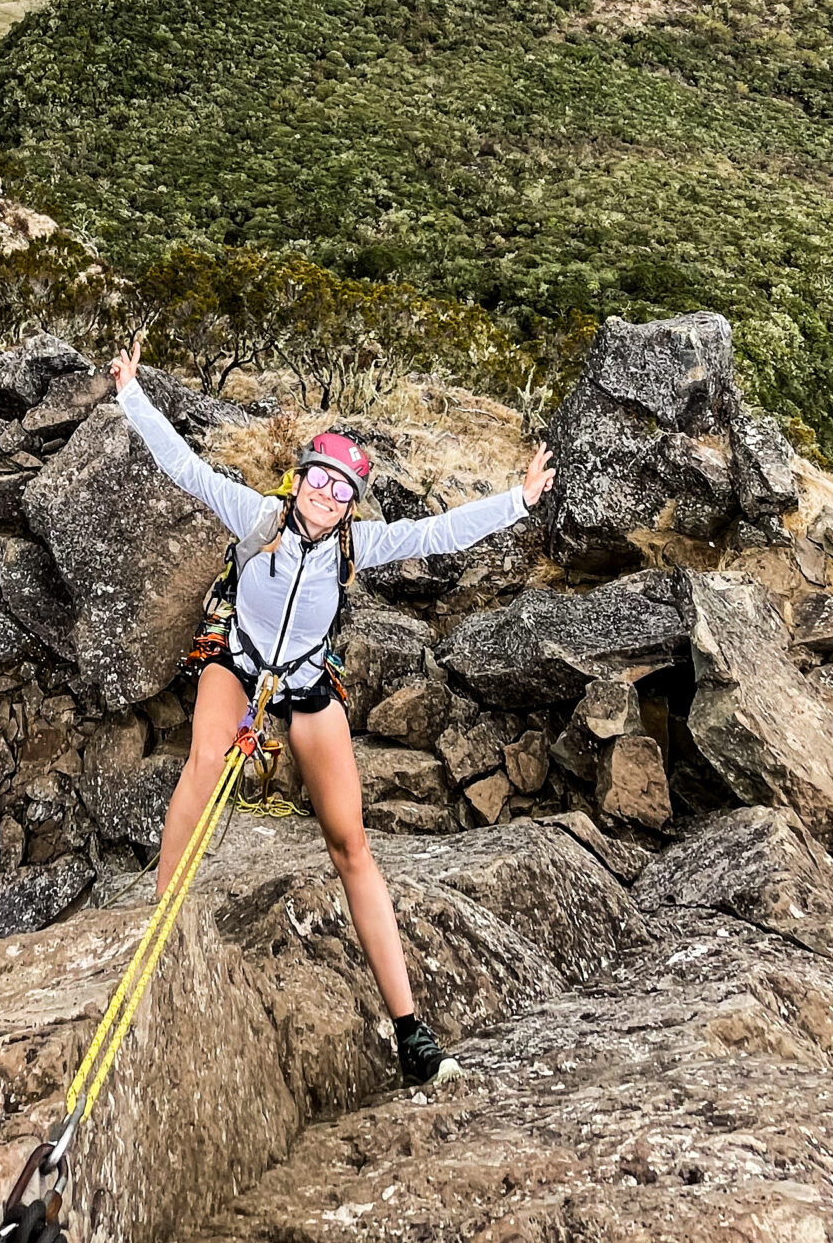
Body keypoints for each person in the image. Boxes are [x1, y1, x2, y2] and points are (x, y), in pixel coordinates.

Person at [109, 341, 554, 1087]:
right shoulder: (258, 517)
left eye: (341, 488)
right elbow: (184, 467)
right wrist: (130, 392)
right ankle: (165, 925)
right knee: (205, 761)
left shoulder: (358, 545)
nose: (325, 494)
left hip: (309, 683)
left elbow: (436, 534)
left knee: (351, 844)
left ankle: (410, 1031)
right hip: (240, 661)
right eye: (317, 478)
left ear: (352, 501)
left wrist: (519, 501)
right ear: (297, 479)